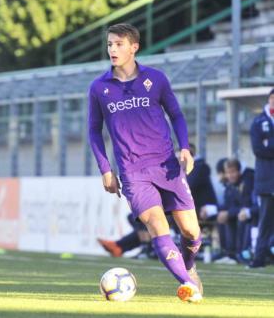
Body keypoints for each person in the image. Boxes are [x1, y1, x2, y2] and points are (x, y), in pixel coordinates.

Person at [88, 23, 202, 303]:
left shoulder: (156, 79)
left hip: (167, 166)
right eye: (109, 44)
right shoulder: (99, 88)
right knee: (156, 224)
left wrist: (184, 148)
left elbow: (176, 115)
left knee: (191, 232)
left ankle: (188, 263)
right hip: (132, 171)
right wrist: (105, 169)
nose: (112, 49)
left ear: (133, 47)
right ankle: (188, 284)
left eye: (118, 44)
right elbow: (93, 130)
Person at [248, 88, 274, 268]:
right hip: (267, 180)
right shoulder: (258, 122)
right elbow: (258, 149)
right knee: (265, 220)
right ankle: (259, 257)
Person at [216, 159, 255, 264]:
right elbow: (228, 204)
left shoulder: (247, 181)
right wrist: (217, 210)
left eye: (232, 172)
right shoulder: (230, 185)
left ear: (238, 171)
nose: (230, 175)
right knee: (222, 217)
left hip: (251, 213)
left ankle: (239, 253)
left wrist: (229, 213)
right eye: (228, 173)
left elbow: (246, 204)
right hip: (238, 212)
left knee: (240, 218)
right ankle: (227, 252)